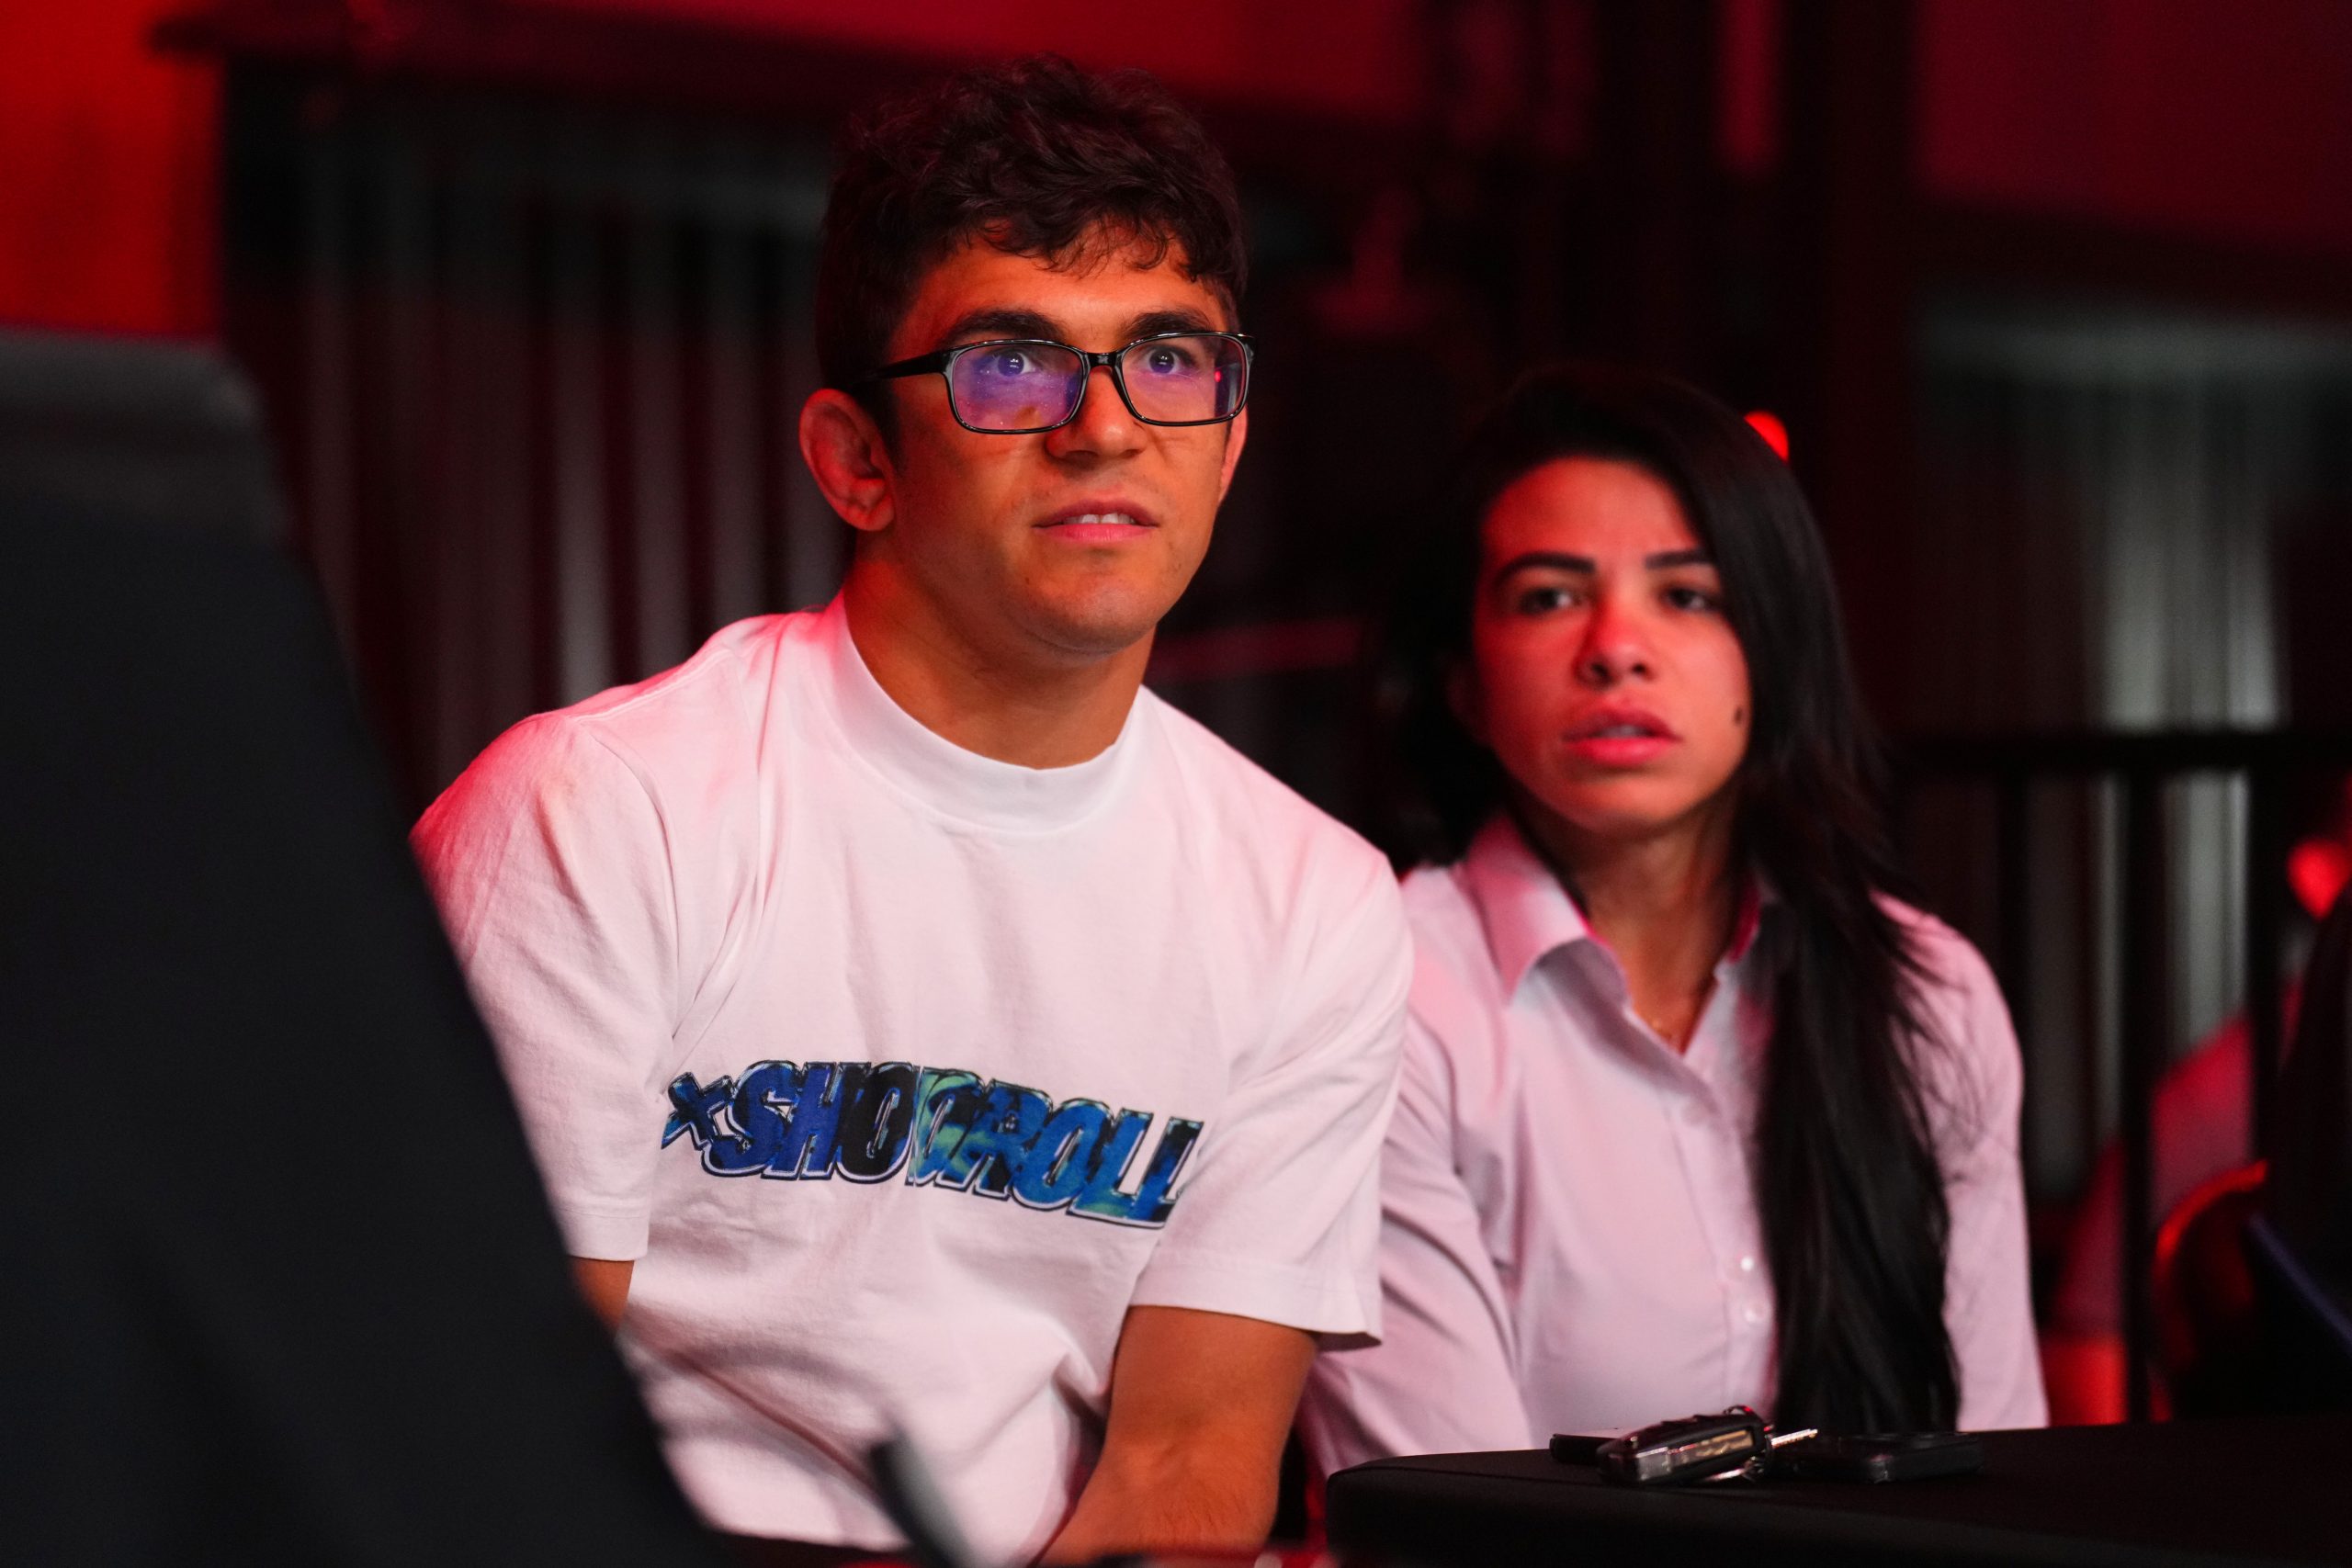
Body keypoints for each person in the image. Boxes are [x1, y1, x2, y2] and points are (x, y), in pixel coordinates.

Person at [412, 57, 1409, 1566]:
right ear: (856, 460)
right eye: (1012, 367)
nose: (1105, 428)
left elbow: (1192, 1469)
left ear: (1231, 437)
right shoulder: (595, 815)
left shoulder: (1311, 899)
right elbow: (480, 1433)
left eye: (1169, 360)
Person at [1299, 363, 2046, 1472]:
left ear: (1772, 655)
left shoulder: (1926, 992)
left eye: (1687, 594)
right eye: (1548, 596)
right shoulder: (1381, 993)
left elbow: (1992, 1464)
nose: (1616, 646)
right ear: (1463, 683)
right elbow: (1451, 1524)